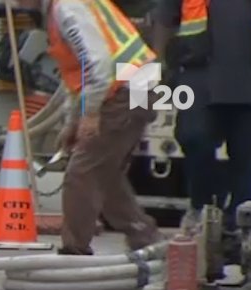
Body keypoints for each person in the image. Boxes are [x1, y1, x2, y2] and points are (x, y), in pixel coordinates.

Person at [19, 0, 167, 254]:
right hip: (137, 86)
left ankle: (75, 248)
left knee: (82, 171)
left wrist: (89, 115)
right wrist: (72, 122)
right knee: (104, 170)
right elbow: (79, 75)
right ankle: (145, 235)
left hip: (125, 90)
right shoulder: (71, 6)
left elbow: (97, 65)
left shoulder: (68, 8)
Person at [150, 0, 251, 249]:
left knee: (247, 151)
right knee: (192, 135)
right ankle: (201, 205)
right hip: (195, 72)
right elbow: (165, 19)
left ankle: (238, 228)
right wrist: (159, 66)